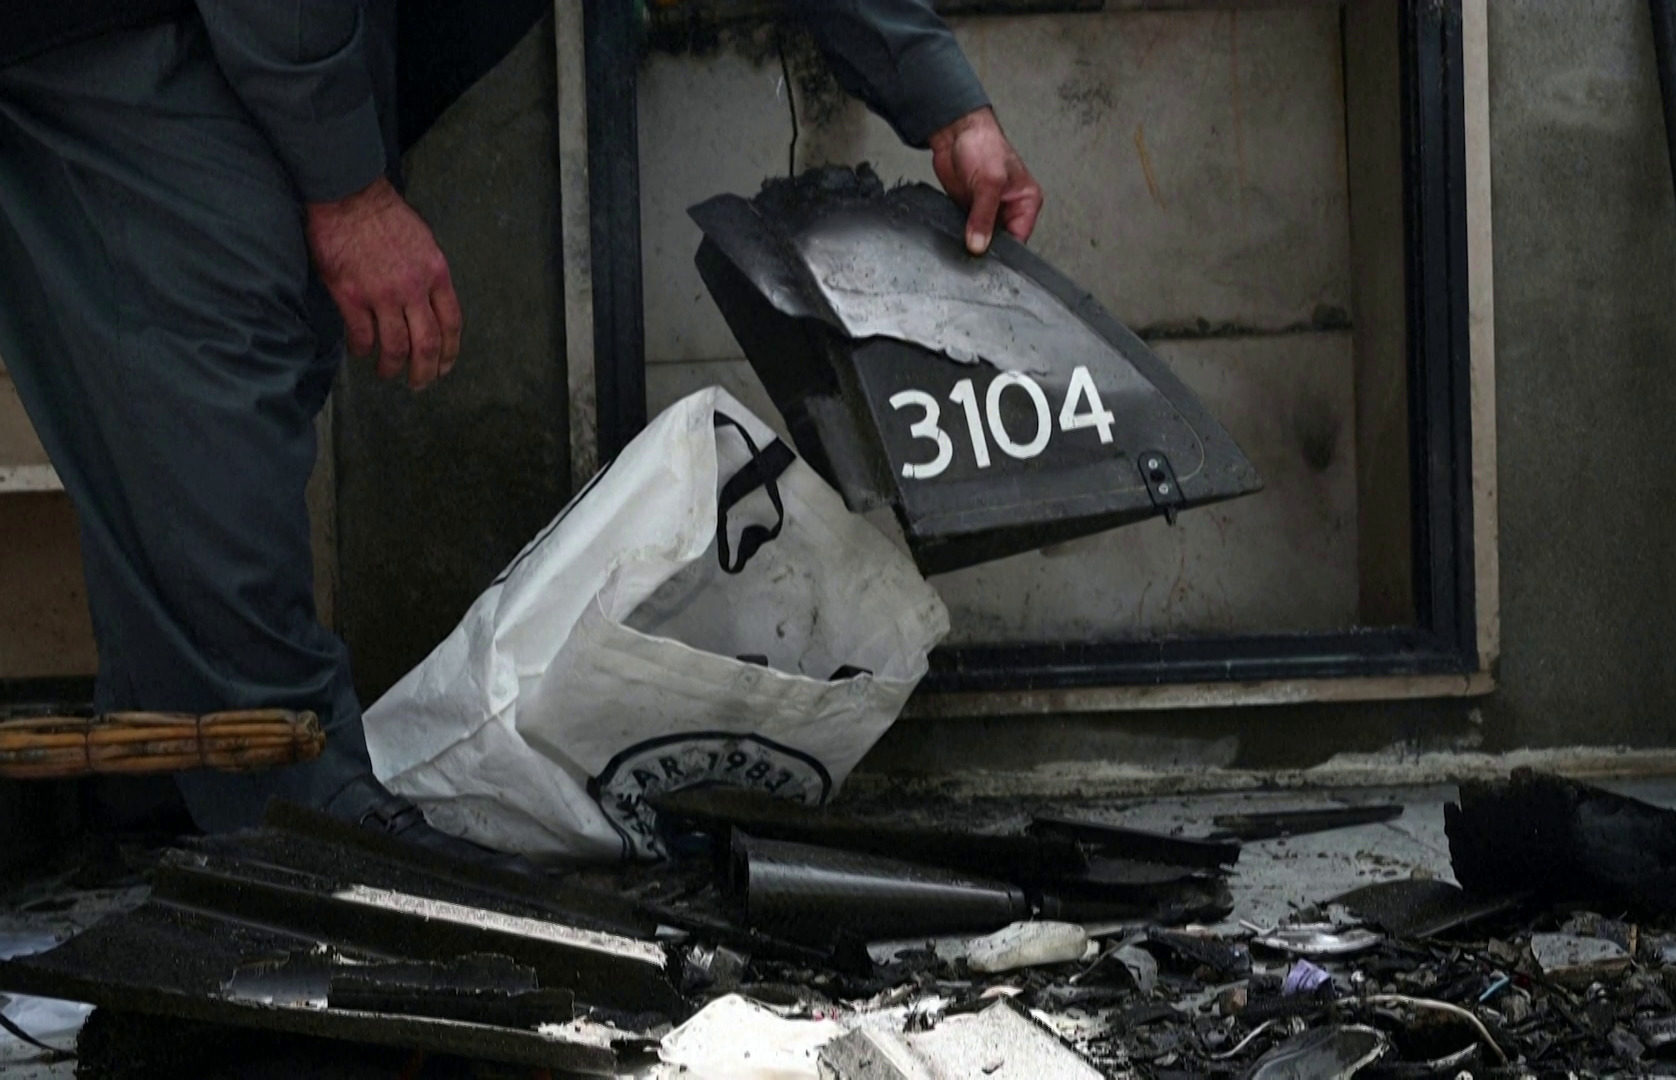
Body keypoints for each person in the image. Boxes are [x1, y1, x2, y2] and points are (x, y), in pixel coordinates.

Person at [0, 1, 1042, 860]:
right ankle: (297, 819)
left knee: (219, 340)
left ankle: (170, 794)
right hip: (125, 31)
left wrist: (942, 98)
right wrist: (349, 191)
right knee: (217, 331)